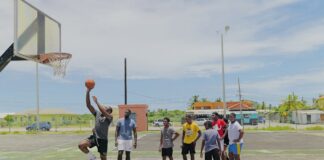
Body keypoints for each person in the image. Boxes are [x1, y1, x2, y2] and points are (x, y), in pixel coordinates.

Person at [78, 88, 113, 160]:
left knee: (103, 158)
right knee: (81, 145)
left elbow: (103, 111)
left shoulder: (109, 117)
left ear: (109, 111)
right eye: (105, 107)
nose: (105, 107)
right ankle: (92, 157)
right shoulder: (97, 114)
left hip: (103, 140)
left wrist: (97, 102)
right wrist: (88, 91)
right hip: (94, 137)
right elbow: (88, 105)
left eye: (107, 108)